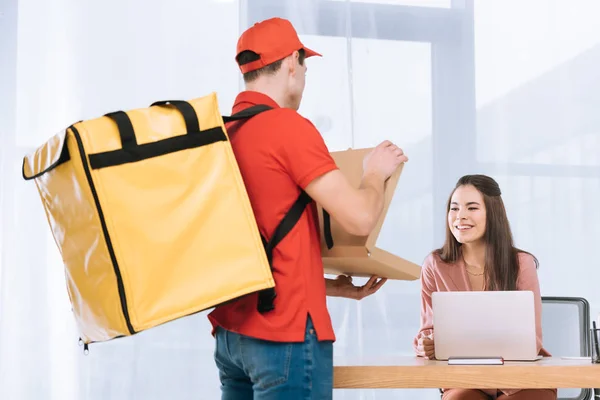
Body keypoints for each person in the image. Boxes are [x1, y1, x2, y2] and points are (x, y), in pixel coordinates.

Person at [207, 17, 408, 399]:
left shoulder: (224, 134)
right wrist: (374, 174)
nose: (303, 75)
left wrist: (334, 287)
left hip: (232, 337)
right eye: (304, 65)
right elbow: (361, 217)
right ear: (290, 64)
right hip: (284, 336)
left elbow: (263, 247)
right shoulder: (287, 128)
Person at [413, 174, 557, 400]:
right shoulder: (435, 265)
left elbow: (532, 338)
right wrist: (426, 344)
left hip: (522, 379)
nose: (460, 216)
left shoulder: (521, 263)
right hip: (464, 378)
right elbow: (427, 330)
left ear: (493, 213)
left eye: (472, 208)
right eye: (454, 208)